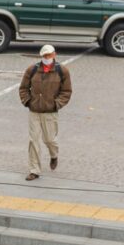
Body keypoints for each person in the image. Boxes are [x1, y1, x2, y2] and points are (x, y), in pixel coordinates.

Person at [18, 45, 72, 181]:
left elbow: (66, 91)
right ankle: (34, 170)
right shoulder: (32, 70)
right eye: (44, 56)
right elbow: (23, 88)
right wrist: (28, 102)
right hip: (34, 111)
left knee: (50, 140)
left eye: (49, 55)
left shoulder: (62, 71)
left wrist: (56, 104)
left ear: (54, 55)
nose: (47, 58)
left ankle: (54, 155)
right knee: (33, 140)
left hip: (50, 112)